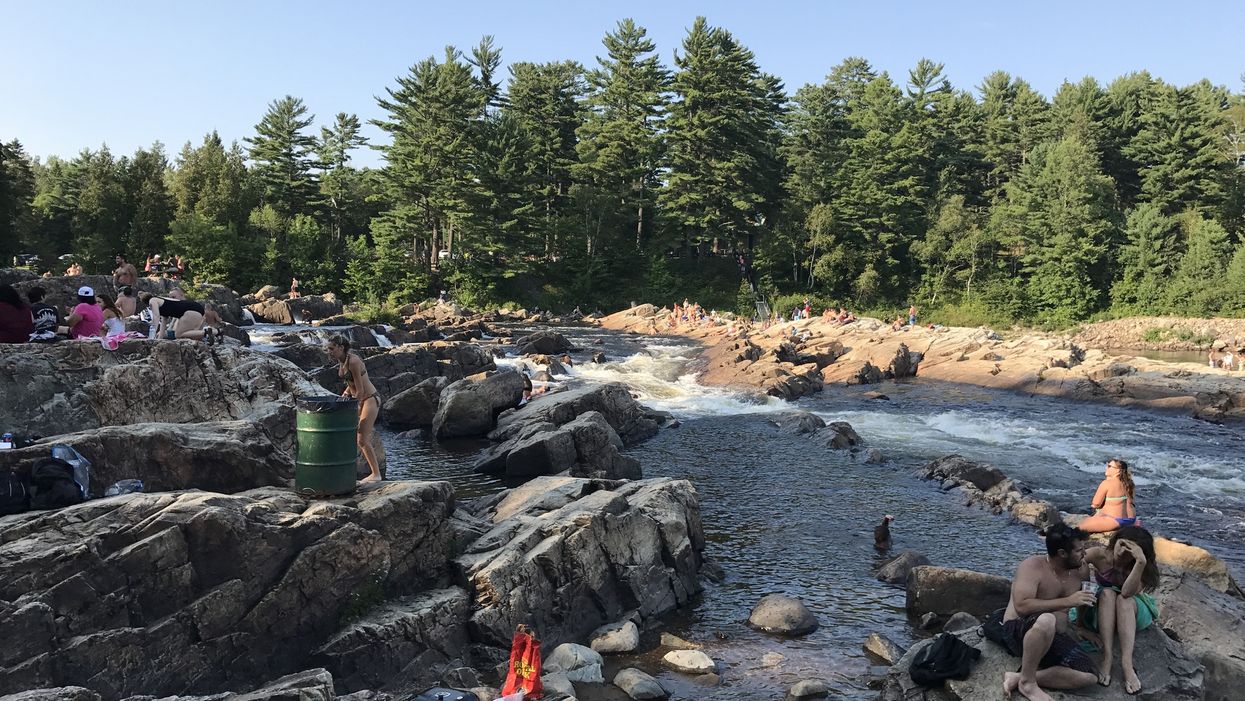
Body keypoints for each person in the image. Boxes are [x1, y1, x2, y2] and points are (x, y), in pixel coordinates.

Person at [1001, 524, 1099, 701]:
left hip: (1054, 636)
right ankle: (1028, 684)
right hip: (1019, 630)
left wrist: (1080, 626)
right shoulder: (1032, 567)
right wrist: (1068, 601)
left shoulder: (1081, 569)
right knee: (1047, 620)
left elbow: (1083, 599)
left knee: (1090, 676)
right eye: (1079, 550)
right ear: (1062, 553)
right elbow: (1022, 607)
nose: (1085, 554)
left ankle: (1019, 677)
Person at [1077, 526, 1160, 694]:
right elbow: (1075, 563)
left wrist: (1140, 562)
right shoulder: (1099, 554)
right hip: (1104, 608)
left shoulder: (1139, 565)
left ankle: (1127, 664)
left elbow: (1127, 592)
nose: (1122, 552)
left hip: (1131, 609)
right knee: (1107, 593)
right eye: (1121, 544)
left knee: (1123, 599)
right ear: (1115, 540)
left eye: (1129, 550)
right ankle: (1107, 657)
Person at [327, 335, 381, 482]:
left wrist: (352, 407)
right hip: (359, 398)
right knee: (350, 436)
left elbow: (361, 389)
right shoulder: (342, 361)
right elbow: (351, 383)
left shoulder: (353, 361)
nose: (329, 352)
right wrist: (345, 395)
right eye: (328, 349)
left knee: (362, 439)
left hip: (370, 399)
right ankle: (345, 470)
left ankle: (376, 474)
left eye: (331, 348)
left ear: (341, 347)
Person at [1079, 459, 1137, 533]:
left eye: (1109, 466)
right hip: (1131, 519)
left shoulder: (1106, 483)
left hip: (1115, 520)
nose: (1106, 468)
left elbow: (1096, 504)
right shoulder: (1129, 483)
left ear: (1118, 471)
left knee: (1080, 528)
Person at [138, 292, 207, 342]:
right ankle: (210, 333)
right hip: (196, 310)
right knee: (188, 334)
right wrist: (159, 340)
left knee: (178, 335)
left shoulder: (152, 300)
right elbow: (163, 324)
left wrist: (151, 336)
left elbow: (156, 317)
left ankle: (206, 333)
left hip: (191, 311)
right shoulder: (162, 303)